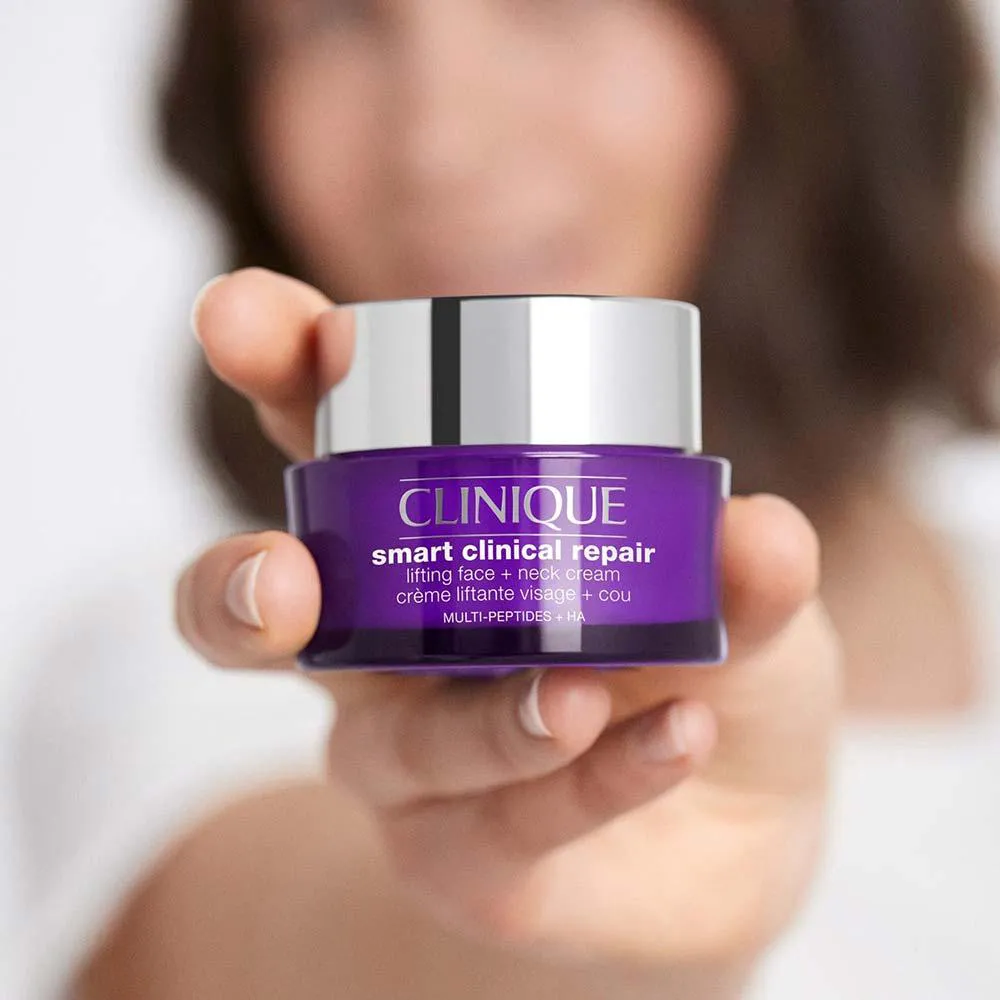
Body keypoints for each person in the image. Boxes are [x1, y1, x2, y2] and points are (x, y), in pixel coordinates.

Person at [6, 1, 999, 998]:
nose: (438, 144)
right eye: (327, 18)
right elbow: (303, 937)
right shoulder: (178, 666)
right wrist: (582, 946)